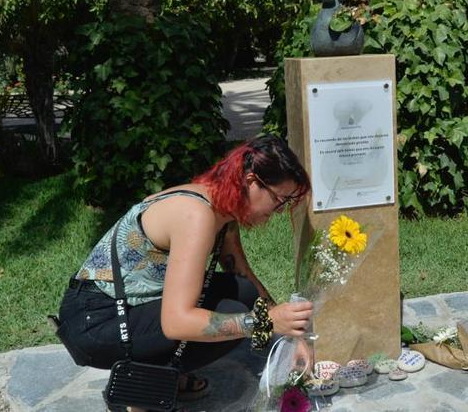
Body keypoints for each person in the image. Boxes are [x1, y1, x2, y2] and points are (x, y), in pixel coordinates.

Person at [55, 135, 314, 407]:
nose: (279, 211)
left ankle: (162, 373)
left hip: (122, 308)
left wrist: (290, 335)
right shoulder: (195, 215)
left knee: (243, 292)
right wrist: (262, 323)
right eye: (279, 200)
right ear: (252, 182)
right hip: (93, 321)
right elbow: (176, 322)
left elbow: (243, 276)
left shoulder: (222, 204)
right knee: (228, 316)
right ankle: (143, 386)